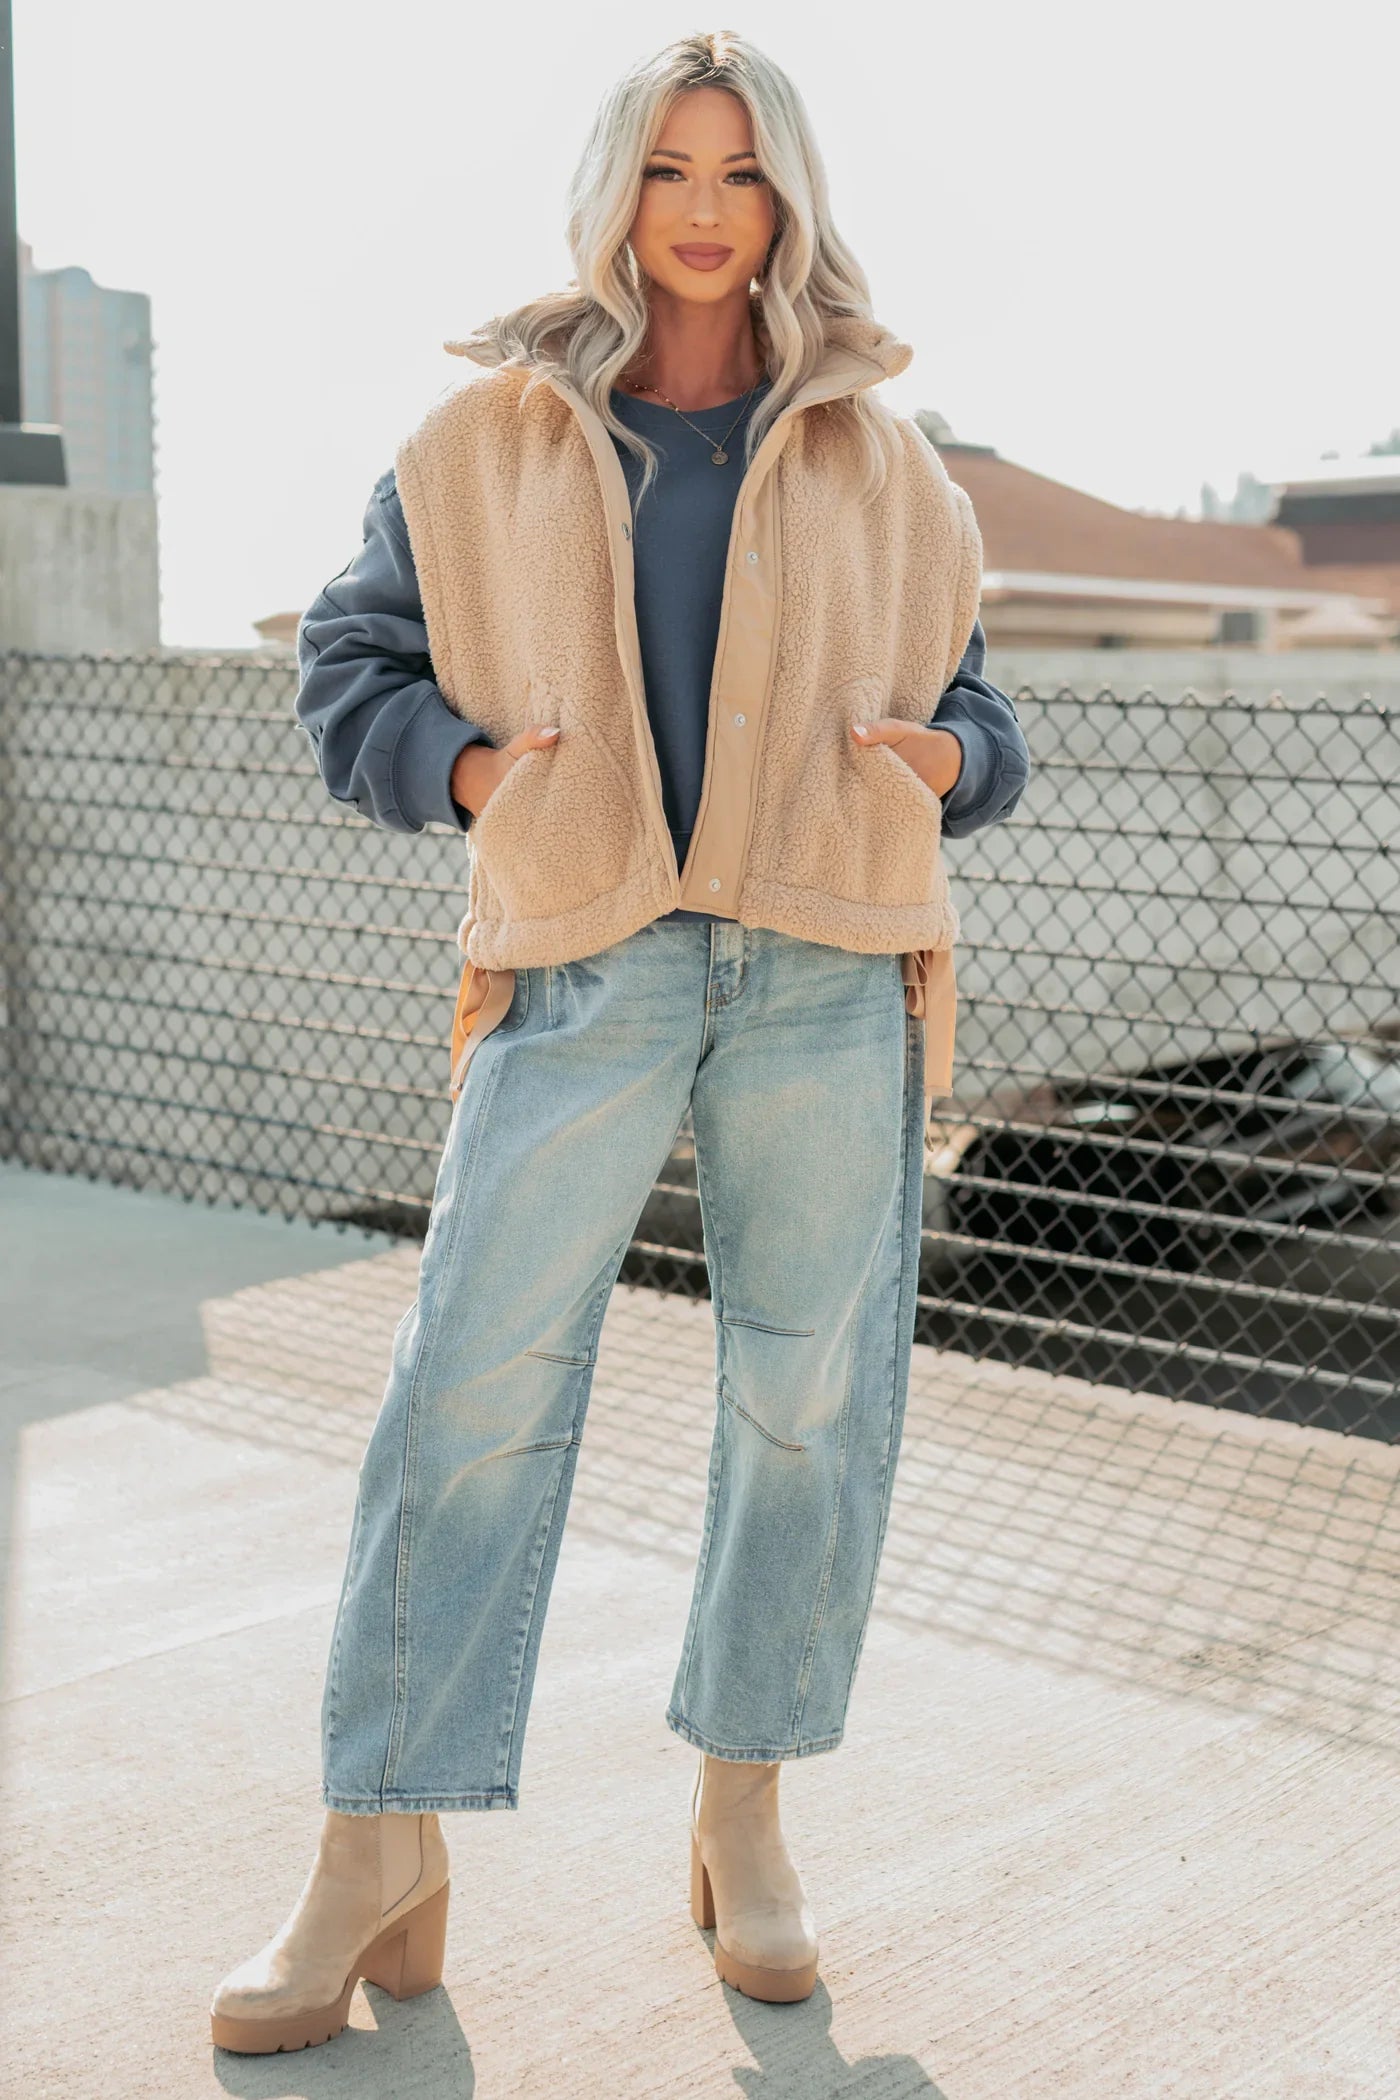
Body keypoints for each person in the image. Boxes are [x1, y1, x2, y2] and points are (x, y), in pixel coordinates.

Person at [209, 28, 1030, 2054]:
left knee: (802, 1403)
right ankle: (374, 1845)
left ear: (788, 200)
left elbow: (981, 708)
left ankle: (745, 1818)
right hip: (583, 956)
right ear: (617, 189)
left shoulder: (885, 459)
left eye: (741, 173)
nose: (704, 209)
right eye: (669, 168)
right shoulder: (477, 440)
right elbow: (350, 664)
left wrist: (952, 762)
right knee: (465, 1389)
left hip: (828, 956)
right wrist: (473, 769)